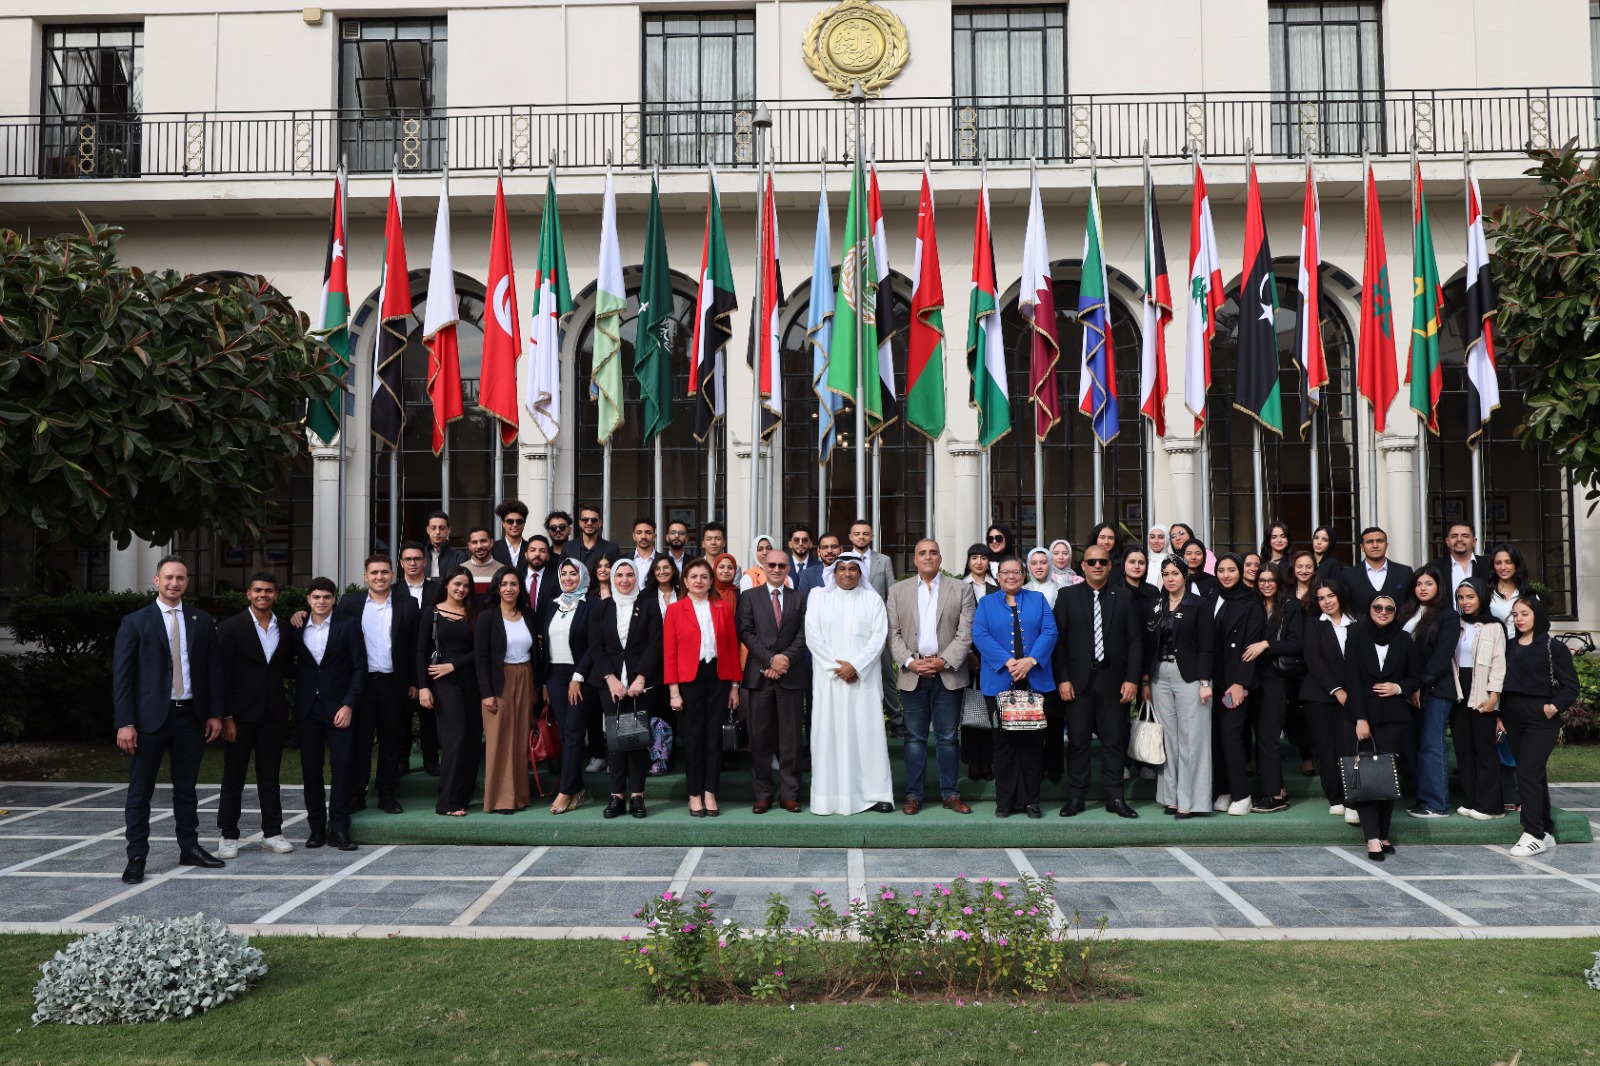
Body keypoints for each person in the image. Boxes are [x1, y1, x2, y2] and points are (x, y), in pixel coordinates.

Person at [112, 555, 227, 884]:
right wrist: (125, 722)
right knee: (140, 792)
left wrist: (215, 713)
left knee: (187, 789)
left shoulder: (200, 620)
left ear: (187, 582)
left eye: (180, 577)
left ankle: (189, 847)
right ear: (156, 580)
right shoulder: (135, 622)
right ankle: (136, 856)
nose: (174, 582)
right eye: (169, 577)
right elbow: (122, 677)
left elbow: (213, 671)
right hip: (149, 721)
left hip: (190, 716)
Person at [1053, 544, 1144, 818]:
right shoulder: (1067, 596)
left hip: (1113, 681)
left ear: (1109, 566)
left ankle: (1115, 798)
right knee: (1079, 742)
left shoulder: (1124, 597)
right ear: (1082, 566)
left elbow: (1135, 641)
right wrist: (1063, 679)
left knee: (1114, 742)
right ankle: (1076, 798)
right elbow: (1059, 643)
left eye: (1102, 562)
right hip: (1078, 683)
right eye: (1091, 561)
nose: (1096, 566)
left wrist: (1132, 679)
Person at [887, 540, 977, 815]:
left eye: (933, 552)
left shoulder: (961, 589)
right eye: (922, 553)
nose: (928, 557)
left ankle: (950, 794)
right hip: (914, 673)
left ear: (940, 557)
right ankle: (914, 795)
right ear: (914, 559)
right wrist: (911, 662)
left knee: (948, 737)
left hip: (947, 673)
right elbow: (893, 633)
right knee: (914, 739)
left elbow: (966, 632)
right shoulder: (897, 591)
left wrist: (943, 661)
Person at [805, 554, 896, 815]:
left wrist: (855, 666)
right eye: (841, 569)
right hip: (829, 682)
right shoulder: (819, 599)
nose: (847, 574)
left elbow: (879, 637)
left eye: (853, 569)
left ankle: (876, 795)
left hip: (863, 683)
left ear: (861, 573)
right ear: (833, 573)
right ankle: (828, 798)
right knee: (829, 738)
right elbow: (813, 636)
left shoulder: (872, 599)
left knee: (868, 737)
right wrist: (838, 669)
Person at [333, 554, 419, 816]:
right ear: (365, 576)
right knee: (359, 743)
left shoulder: (408, 603)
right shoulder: (350, 603)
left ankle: (387, 793)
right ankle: (357, 794)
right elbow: (332, 629)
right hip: (361, 684)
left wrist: (415, 681)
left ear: (393, 574)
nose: (379, 577)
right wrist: (301, 615)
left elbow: (415, 645)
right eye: (374, 573)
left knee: (392, 741)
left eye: (384, 572)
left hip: (393, 683)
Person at [972, 555, 1058, 819]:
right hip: (999, 681)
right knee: (1004, 742)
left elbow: (1050, 631)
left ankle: (1031, 800)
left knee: (1032, 742)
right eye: (1005, 572)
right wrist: (1009, 662)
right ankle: (1005, 801)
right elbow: (980, 635)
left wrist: (1030, 661)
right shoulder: (986, 603)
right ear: (998, 577)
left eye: (1016, 572)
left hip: (1034, 680)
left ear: (1024, 575)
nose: (1011, 576)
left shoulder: (1037, 599)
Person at [215, 572, 294, 858]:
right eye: (258, 590)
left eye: (269, 591)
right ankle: (228, 834)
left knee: (270, 776)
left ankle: (272, 832)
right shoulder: (230, 628)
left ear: (277, 594)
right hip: (239, 715)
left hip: (272, 713)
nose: (264, 595)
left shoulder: (284, 628)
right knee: (233, 776)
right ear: (248, 593)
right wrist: (226, 716)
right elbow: (220, 676)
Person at [1343, 593, 1421, 861]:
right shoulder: (1356, 638)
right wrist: (1360, 718)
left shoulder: (1404, 639)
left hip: (1395, 718)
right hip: (1363, 717)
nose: (1383, 611)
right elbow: (1351, 679)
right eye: (1377, 607)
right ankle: (1372, 837)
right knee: (1366, 777)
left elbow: (1415, 676)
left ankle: (1384, 832)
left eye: (1389, 608)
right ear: (1370, 609)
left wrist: (1398, 687)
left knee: (1387, 779)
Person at [291, 576, 367, 850]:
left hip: (340, 709)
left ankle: (339, 829)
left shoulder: (348, 625)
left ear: (334, 599)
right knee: (311, 771)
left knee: (342, 769)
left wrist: (349, 705)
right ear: (308, 600)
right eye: (316, 597)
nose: (321, 602)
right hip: (308, 709)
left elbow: (360, 668)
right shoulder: (297, 627)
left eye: (326, 597)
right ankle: (316, 829)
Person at [1501, 596, 1581, 856]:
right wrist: (1499, 715)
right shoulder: (1509, 646)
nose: (1519, 618)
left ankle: (1532, 833)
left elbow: (1571, 686)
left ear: (1536, 614)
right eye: (1515, 614)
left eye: (1524, 613)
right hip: (1513, 715)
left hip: (1541, 716)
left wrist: (1552, 708)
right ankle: (1545, 830)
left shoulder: (1552, 646)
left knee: (1526, 771)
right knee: (1533, 774)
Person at [664, 558, 742, 816]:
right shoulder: (675, 610)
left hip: (718, 677)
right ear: (685, 581)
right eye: (693, 576)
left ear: (711, 582)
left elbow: (731, 648)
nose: (699, 580)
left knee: (713, 739)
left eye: (704, 576)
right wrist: (674, 692)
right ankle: (694, 794)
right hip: (689, 681)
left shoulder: (722, 608)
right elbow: (670, 653)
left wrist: (734, 686)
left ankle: (710, 792)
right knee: (694, 738)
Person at [738, 549, 810, 813]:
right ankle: (763, 793)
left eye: (782, 565)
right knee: (760, 739)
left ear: (788, 568)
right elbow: (746, 632)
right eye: (772, 565)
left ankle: (790, 793)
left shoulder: (800, 598)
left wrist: (784, 662)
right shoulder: (749, 597)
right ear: (763, 566)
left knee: (791, 739)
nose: (777, 569)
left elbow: (805, 634)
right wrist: (770, 660)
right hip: (760, 677)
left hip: (791, 677)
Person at [588, 559, 662, 819]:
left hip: (642, 684)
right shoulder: (601, 607)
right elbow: (595, 647)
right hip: (609, 685)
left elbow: (654, 644)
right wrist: (611, 679)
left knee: (637, 741)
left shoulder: (649, 606)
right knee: (615, 742)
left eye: (630, 575)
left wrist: (640, 677)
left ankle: (638, 796)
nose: (624, 580)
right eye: (619, 575)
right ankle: (617, 795)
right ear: (612, 578)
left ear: (637, 577)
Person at [1141, 558, 1214, 818]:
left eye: (1175, 573)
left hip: (1191, 677)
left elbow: (1207, 646)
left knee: (1192, 739)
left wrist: (1205, 682)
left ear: (1185, 576)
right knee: (1168, 740)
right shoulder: (1157, 605)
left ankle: (1191, 801)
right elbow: (1148, 645)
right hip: (1161, 674)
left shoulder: (1200, 605)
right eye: (1166, 574)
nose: (1170, 578)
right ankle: (1170, 797)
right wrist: (1147, 680)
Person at [1397, 565, 1462, 820]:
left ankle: (1437, 804)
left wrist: (1418, 685)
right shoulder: (1406, 613)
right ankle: (1423, 798)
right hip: (1409, 689)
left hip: (1435, 689)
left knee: (1431, 745)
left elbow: (1441, 657)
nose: (1422, 588)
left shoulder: (1447, 616)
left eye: (1428, 584)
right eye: (1419, 584)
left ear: (1439, 587)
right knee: (1412, 744)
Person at [417, 567, 480, 818]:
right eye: (456, 584)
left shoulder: (476, 613)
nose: (461, 589)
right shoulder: (431, 613)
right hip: (441, 680)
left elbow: (481, 650)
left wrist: (455, 665)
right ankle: (446, 801)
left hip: (469, 678)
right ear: (446, 585)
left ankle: (463, 797)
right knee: (454, 738)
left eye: (465, 585)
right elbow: (421, 651)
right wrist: (423, 687)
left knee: (473, 739)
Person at [475, 566, 538, 815]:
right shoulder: (488, 617)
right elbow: (481, 658)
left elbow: (536, 653)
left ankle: (520, 796)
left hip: (525, 676)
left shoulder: (528, 615)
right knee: (499, 740)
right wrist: (486, 693)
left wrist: (536, 685)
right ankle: (500, 799)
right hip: (499, 680)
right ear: (497, 588)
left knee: (521, 738)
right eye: (504, 584)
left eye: (513, 584)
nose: (509, 588)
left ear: (519, 588)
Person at [1240, 565, 1302, 812]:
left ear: (1279, 582)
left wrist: (1266, 644)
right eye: (1261, 580)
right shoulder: (1253, 604)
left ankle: (1273, 795)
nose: (1266, 584)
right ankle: (1279, 790)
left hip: (1275, 678)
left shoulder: (1291, 606)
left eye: (1270, 580)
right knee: (1261, 736)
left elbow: (1297, 644)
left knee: (1268, 737)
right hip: (1253, 678)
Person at [537, 558, 596, 815]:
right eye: (564, 574)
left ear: (582, 576)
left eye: (573, 574)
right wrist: (544, 682)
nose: (568, 578)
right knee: (564, 735)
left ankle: (565, 789)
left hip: (579, 677)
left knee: (573, 732)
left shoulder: (592, 604)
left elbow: (595, 644)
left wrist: (578, 676)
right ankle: (578, 789)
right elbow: (543, 646)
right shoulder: (552, 605)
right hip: (555, 676)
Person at [1210, 553, 1265, 816]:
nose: (1226, 575)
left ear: (1240, 572)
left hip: (1235, 682)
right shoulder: (1212, 597)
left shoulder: (1251, 602)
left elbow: (1251, 646)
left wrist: (1240, 683)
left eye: (1232, 570)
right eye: (1221, 570)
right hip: (1211, 680)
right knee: (1216, 737)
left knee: (1231, 735)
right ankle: (1224, 790)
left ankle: (1242, 795)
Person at [1451, 578, 1509, 822]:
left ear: (1482, 597)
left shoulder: (1494, 626)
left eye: (1470, 597)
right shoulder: (1455, 624)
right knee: (1464, 749)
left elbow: (1499, 663)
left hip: (1483, 691)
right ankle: (1472, 798)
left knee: (1484, 749)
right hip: (1458, 691)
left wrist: (1494, 695)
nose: (1465, 602)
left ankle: (1491, 805)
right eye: (1461, 597)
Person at [1302, 578, 1357, 820]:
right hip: (1320, 696)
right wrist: (1337, 689)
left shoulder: (1359, 622)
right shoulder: (1314, 625)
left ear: (1340, 595)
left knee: (1349, 747)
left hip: (1354, 696)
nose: (1326, 602)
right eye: (1321, 598)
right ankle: (1335, 797)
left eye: (1330, 596)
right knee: (1326, 748)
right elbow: (1313, 659)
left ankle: (1352, 797)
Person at [398, 540, 441, 776]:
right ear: (401, 563)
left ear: (425, 562)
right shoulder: (394, 591)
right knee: (402, 718)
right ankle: (402, 761)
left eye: (417, 559)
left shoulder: (438, 590)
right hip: (403, 665)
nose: (413, 563)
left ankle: (431, 761)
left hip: (434, 662)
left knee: (430, 717)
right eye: (408, 559)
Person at [960, 543, 999, 783]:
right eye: (974, 558)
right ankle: (974, 762)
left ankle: (989, 761)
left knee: (991, 709)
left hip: (994, 658)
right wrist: (968, 654)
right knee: (971, 709)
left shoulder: (997, 588)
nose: (978, 562)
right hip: (967, 656)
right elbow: (957, 625)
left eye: (983, 558)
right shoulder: (959, 586)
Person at [1344, 526, 1413, 616]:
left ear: (1386, 545)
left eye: (1380, 541)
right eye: (1369, 542)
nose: (1375, 545)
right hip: (1361, 628)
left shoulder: (1404, 572)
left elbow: (1411, 604)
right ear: (1362, 547)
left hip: (1398, 628)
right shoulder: (1349, 575)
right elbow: (1345, 607)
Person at [1428, 522, 1492, 596]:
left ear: (1474, 541)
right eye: (1454, 536)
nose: (1459, 539)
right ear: (1447, 541)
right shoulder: (1435, 567)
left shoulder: (1488, 565)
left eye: (1465, 536)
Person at [1488, 543, 1534, 637]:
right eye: (1498, 563)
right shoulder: (1486, 594)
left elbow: (1538, 626)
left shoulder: (1529, 594)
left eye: (1508, 562)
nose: (1503, 567)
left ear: (1516, 565)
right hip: (1493, 648)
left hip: (1522, 649)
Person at [570, 504, 621, 573]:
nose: (589, 523)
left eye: (593, 520)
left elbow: (617, 575)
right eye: (585, 520)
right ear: (580, 523)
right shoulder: (568, 548)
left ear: (599, 523)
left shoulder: (612, 549)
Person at [462, 527, 502, 606]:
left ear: (491, 542)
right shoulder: (461, 570)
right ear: (469, 546)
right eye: (474, 542)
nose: (479, 546)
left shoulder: (502, 570)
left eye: (483, 541)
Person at [796, 532, 843, 598]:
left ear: (841, 550)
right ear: (818, 551)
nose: (829, 551)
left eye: (834, 547)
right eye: (825, 547)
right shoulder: (808, 574)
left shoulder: (850, 572)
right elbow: (802, 603)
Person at [422, 511, 467, 579]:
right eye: (433, 528)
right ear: (428, 530)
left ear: (448, 530)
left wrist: (430, 580)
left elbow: (459, 581)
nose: (437, 532)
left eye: (442, 528)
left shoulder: (459, 556)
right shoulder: (420, 555)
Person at [490, 499, 530, 568]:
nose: (515, 525)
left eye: (519, 521)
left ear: (524, 523)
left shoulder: (531, 548)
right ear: (503, 523)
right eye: (510, 521)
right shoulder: (493, 548)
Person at [523, 534, 558, 610]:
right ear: (526, 555)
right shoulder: (517, 578)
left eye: (542, 551)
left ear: (548, 557)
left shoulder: (556, 580)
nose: (537, 554)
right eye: (533, 550)